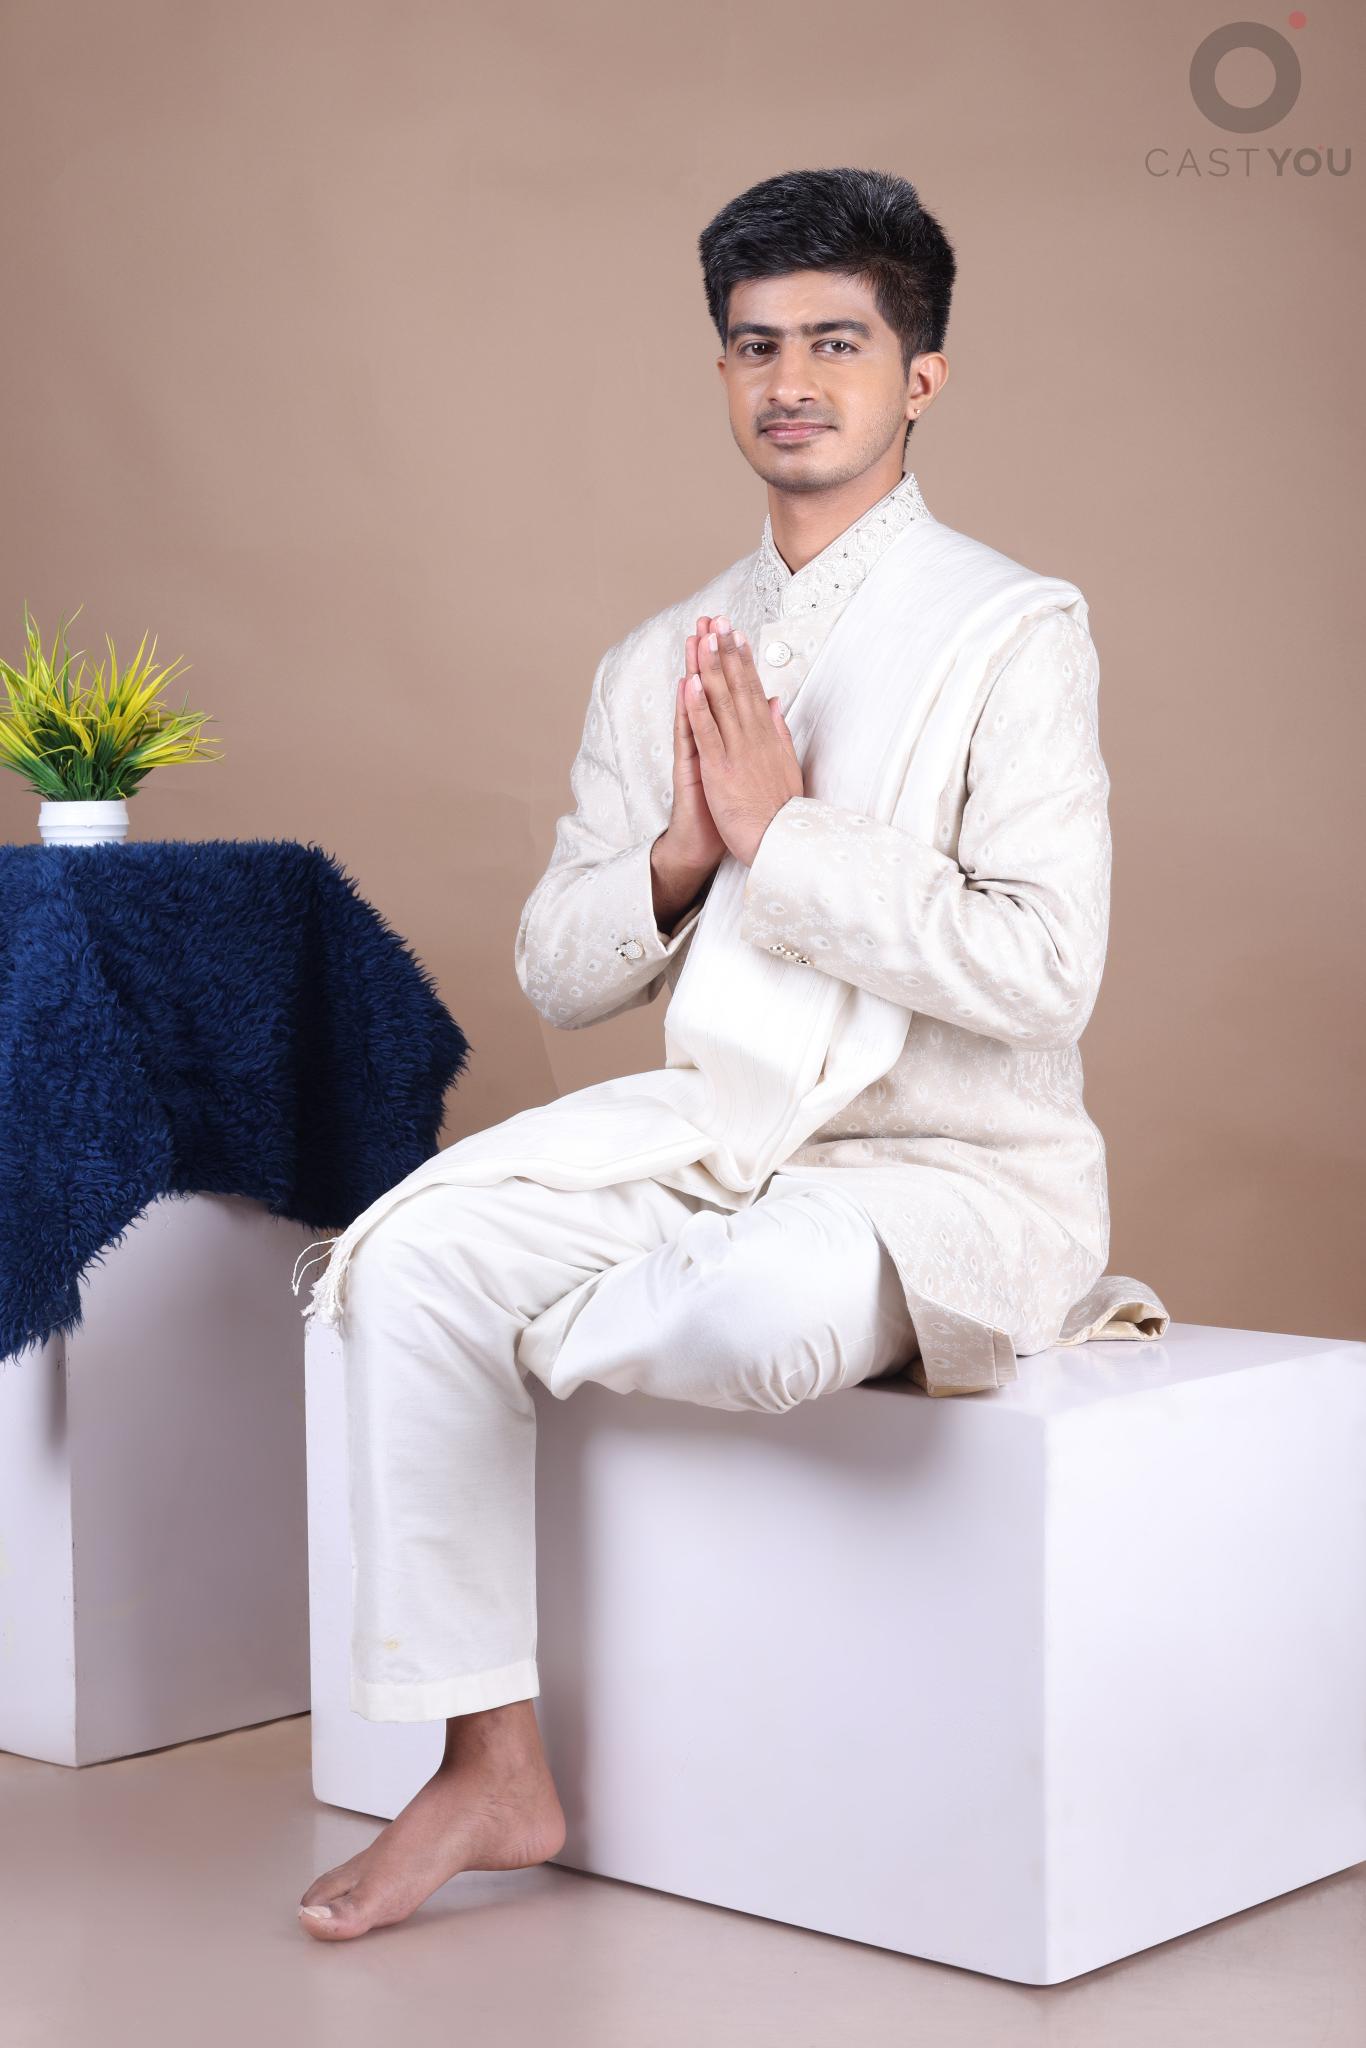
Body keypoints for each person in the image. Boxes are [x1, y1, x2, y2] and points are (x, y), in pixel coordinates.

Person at [295, 166, 1167, 1941]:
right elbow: (558, 965)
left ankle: (561, 1339)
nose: (792, 381)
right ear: (719, 372)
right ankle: (489, 1763)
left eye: (837, 343)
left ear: (920, 377)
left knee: (737, 1320)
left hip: (946, 1172)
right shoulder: (656, 662)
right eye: (756, 346)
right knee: (411, 1265)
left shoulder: (1013, 629)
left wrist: (787, 837)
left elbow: (1044, 970)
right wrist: (683, 856)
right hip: (711, 1140)